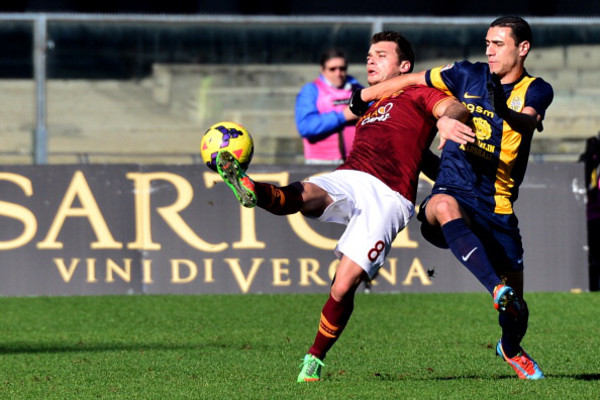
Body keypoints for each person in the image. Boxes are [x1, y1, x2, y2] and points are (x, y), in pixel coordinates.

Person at [214, 31, 475, 382]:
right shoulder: (367, 101)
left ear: (404, 65)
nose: (370, 59)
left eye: (381, 55)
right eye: (369, 54)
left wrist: (448, 119)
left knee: (342, 285)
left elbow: (452, 107)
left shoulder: (419, 92)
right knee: (304, 194)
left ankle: (315, 358)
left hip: (389, 196)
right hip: (350, 175)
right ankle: (251, 189)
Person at [350, 16, 553, 380]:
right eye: (487, 42)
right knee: (441, 203)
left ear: (522, 49)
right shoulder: (465, 73)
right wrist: (362, 96)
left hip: (498, 204)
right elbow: (413, 79)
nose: (489, 50)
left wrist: (502, 110)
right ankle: (495, 288)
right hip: (453, 191)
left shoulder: (538, 89)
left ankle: (509, 347)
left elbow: (525, 123)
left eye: (498, 44)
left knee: (517, 312)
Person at [295, 48, 363, 165]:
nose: (338, 73)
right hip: (321, 163)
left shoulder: (357, 89)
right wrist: (343, 116)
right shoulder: (311, 90)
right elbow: (306, 126)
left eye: (342, 68)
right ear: (322, 70)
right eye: (332, 69)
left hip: (355, 161)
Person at [579, 132, 600, 291]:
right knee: (592, 259)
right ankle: (593, 288)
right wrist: (590, 155)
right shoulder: (590, 162)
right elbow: (582, 181)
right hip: (593, 218)